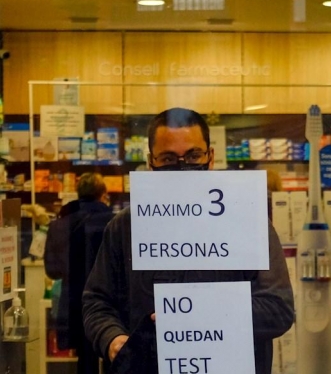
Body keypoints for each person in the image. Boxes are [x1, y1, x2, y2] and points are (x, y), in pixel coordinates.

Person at [83, 108, 294, 374]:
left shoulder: (247, 222)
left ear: (211, 157)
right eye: (169, 158)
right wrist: (112, 339)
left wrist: (195, 314)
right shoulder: (125, 227)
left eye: (194, 155)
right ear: (151, 162)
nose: (183, 166)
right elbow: (97, 301)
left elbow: (279, 308)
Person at [45, 172, 114, 374]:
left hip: (73, 302)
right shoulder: (114, 222)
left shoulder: (59, 224)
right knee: (113, 351)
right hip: (109, 301)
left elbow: (52, 270)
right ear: (103, 194)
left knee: (84, 360)